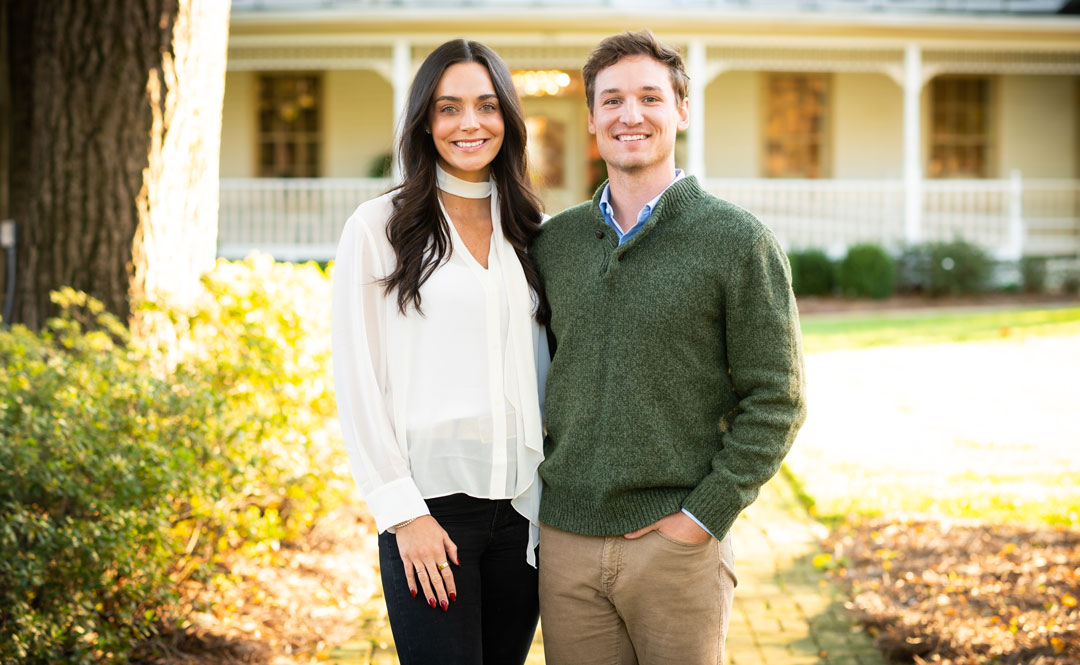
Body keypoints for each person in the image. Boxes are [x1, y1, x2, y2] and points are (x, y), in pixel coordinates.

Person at [532, 30, 807, 665]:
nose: (631, 115)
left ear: (681, 110)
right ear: (593, 117)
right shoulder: (555, 243)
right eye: (613, 100)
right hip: (565, 543)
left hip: (677, 545)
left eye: (650, 97)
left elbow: (778, 399)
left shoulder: (739, 242)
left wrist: (702, 518)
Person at [331, 39, 548, 665]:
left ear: (508, 118)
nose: (469, 124)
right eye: (449, 107)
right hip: (432, 514)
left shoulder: (529, 229)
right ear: (425, 121)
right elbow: (358, 379)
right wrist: (403, 515)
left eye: (486, 106)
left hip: (523, 517)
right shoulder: (380, 228)